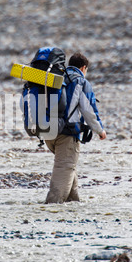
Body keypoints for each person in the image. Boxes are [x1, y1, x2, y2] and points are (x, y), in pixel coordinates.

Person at [45, 52, 106, 204]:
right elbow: (88, 110)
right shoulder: (80, 82)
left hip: (47, 131)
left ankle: (73, 202)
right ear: (83, 68)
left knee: (68, 166)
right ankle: (52, 208)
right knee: (64, 167)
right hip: (67, 134)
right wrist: (100, 130)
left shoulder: (57, 78)